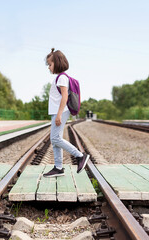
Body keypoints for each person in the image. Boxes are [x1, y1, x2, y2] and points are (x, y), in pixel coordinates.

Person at [43, 48, 89, 178]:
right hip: (58, 112)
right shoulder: (59, 78)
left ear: (57, 63)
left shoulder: (62, 78)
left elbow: (64, 97)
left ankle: (80, 156)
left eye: (50, 64)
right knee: (55, 139)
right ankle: (58, 168)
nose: (49, 68)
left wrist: (58, 114)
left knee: (56, 138)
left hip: (60, 112)